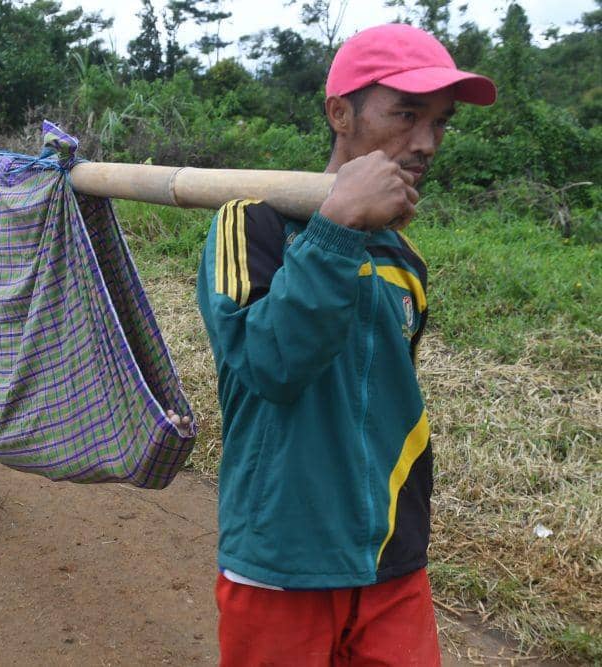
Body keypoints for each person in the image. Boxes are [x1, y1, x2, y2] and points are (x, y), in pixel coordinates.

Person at [197, 23, 497, 664]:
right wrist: (334, 230)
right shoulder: (251, 224)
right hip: (284, 558)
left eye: (441, 123)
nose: (426, 143)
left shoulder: (404, 257)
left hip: (392, 556)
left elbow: (387, 398)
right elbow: (271, 366)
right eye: (407, 114)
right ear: (340, 112)